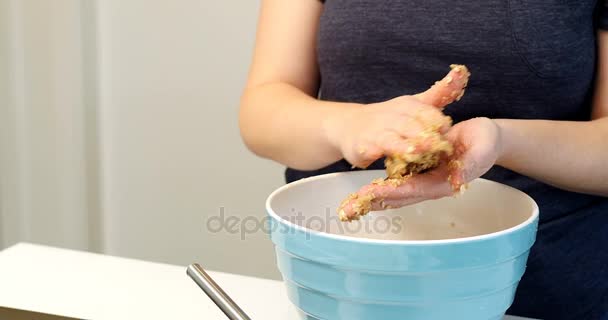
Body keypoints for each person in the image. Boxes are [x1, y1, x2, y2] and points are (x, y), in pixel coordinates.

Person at [239, 1, 608, 319]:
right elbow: (263, 109)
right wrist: (344, 124)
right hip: (342, 277)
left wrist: (504, 140)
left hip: (547, 286)